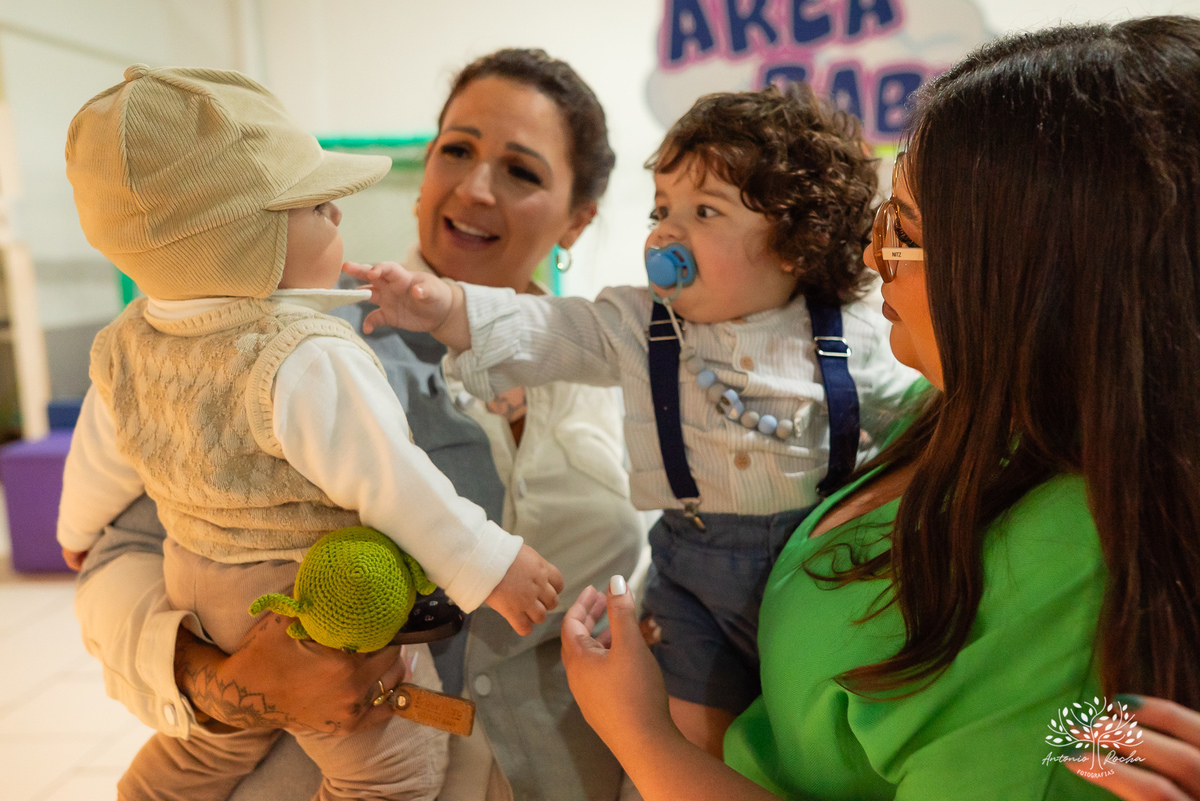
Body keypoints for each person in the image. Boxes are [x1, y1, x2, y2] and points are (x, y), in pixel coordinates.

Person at [560, 16, 1200, 801]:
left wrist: (639, 731)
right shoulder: (966, 410)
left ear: (1036, 278)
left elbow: (1052, 746)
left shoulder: (1067, 571)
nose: (868, 256)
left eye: (902, 231)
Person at [71, 49, 644, 801]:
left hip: (564, 770)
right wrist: (220, 679)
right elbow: (115, 551)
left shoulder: (617, 370)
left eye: (522, 171)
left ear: (578, 219)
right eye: (458, 151)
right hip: (329, 763)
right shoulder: (262, 328)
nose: (475, 188)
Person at [345, 82, 919, 757]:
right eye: (662, 208)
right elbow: (547, 327)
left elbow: (925, 422)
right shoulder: (639, 322)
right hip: (692, 581)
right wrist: (445, 307)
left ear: (796, 243)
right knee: (684, 740)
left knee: (811, 733)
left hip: (818, 569)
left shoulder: (851, 336)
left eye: (705, 211)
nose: (668, 232)